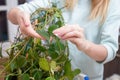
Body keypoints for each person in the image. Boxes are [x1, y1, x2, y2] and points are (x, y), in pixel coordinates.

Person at [7, 0, 120, 80]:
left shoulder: (112, 3)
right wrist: (19, 14)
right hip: (53, 74)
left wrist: (85, 45)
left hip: (89, 77)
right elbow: (14, 12)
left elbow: (109, 50)